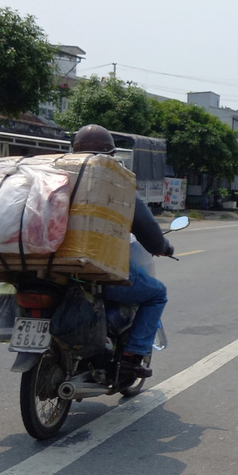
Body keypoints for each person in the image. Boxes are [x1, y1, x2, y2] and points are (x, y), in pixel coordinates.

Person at [72, 124, 174, 378]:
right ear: (110, 155)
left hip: (51, 269)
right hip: (96, 271)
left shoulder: (56, 177)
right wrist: (163, 246)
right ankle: (132, 357)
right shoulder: (115, 185)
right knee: (157, 293)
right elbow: (146, 227)